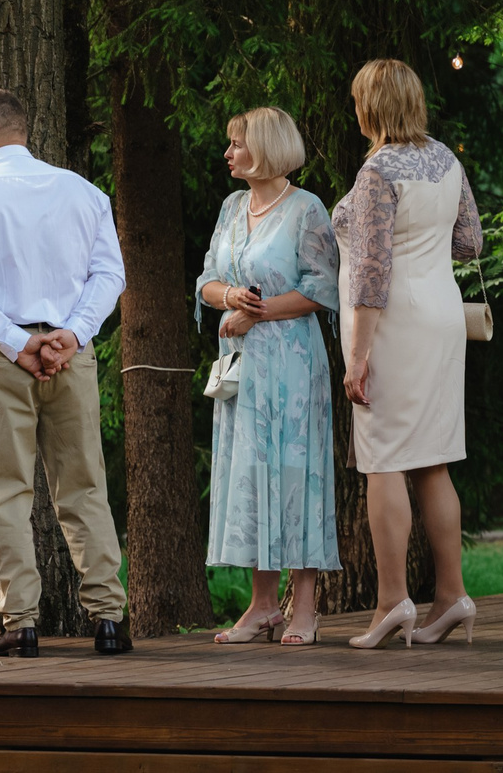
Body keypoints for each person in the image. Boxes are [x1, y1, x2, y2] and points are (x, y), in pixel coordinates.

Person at [0, 88, 130, 657]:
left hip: (0, 358)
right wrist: (71, 335)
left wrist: (19, 344)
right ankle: (109, 619)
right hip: (71, 355)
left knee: (4, 491)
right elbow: (108, 274)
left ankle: (21, 624)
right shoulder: (85, 193)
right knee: (85, 485)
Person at [333, 58, 481, 651]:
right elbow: (470, 242)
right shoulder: (447, 158)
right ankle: (452, 596)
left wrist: (359, 356)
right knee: (435, 459)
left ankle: (393, 600)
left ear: (369, 107)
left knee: (384, 458)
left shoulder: (377, 172)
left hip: (393, 323)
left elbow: (371, 272)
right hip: (443, 314)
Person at [196, 106, 339, 646]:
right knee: (252, 475)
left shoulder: (306, 209)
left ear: (267, 148)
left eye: (237, 143)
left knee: (295, 472)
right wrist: (228, 296)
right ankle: (261, 606)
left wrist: (255, 311)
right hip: (243, 368)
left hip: (293, 365)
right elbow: (208, 277)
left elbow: (321, 288)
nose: (229, 153)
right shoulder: (233, 208)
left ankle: (303, 606)